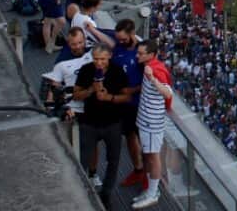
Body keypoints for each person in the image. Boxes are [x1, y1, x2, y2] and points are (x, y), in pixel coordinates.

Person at [73, 44, 130, 201]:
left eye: (102, 59)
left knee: (113, 160)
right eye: (96, 59)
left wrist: (109, 97)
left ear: (110, 56)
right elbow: (76, 95)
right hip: (89, 123)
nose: (99, 63)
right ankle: (81, 191)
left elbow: (126, 97)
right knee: (83, 158)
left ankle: (106, 193)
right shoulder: (85, 70)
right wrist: (91, 89)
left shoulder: (118, 71)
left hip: (113, 123)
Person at [133, 39, 173, 210]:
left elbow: (167, 92)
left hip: (151, 122)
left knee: (152, 156)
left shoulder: (156, 70)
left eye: (141, 54)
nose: (137, 56)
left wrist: (151, 78)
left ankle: (152, 194)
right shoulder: (151, 64)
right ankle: (151, 189)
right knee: (148, 155)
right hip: (145, 119)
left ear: (151, 55)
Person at [113, 19, 147, 192]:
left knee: (146, 140)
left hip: (141, 104)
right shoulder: (116, 48)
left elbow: (150, 81)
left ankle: (151, 176)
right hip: (124, 104)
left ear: (133, 33)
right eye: (119, 39)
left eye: (124, 39)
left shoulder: (143, 52)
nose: (121, 41)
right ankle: (138, 170)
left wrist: (131, 91)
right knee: (130, 136)